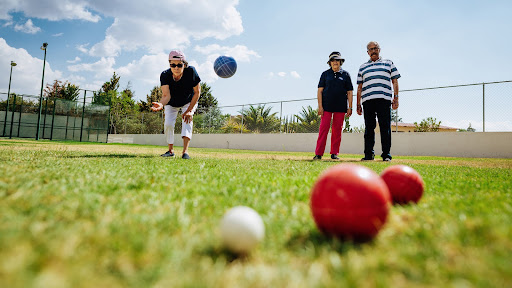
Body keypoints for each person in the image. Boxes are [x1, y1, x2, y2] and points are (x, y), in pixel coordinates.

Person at [151, 50, 201, 159]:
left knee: (187, 120)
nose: (176, 68)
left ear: (184, 64)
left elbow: (197, 92)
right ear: (169, 64)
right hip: (171, 103)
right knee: (168, 124)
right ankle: (170, 151)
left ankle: (185, 152)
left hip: (188, 101)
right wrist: (160, 104)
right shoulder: (165, 75)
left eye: (179, 65)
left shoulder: (191, 71)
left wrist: (189, 111)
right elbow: (166, 96)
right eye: (173, 65)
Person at [356, 41, 400, 161]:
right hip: (367, 101)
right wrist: (358, 104)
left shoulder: (388, 63)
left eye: (375, 48)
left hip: (384, 99)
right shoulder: (362, 67)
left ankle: (386, 155)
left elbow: (395, 81)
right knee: (369, 128)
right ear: (367, 52)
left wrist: (396, 98)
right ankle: (368, 155)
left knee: (385, 127)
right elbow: (359, 87)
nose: (373, 51)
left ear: (379, 49)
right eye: (371, 49)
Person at [313, 51, 354, 160]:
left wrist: (350, 107)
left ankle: (334, 153)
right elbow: (319, 91)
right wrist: (320, 106)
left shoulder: (346, 75)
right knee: (323, 129)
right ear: (329, 62)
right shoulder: (325, 74)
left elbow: (350, 92)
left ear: (340, 62)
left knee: (337, 130)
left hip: (340, 107)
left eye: (337, 60)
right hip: (326, 107)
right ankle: (318, 153)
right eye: (333, 60)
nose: (335, 62)